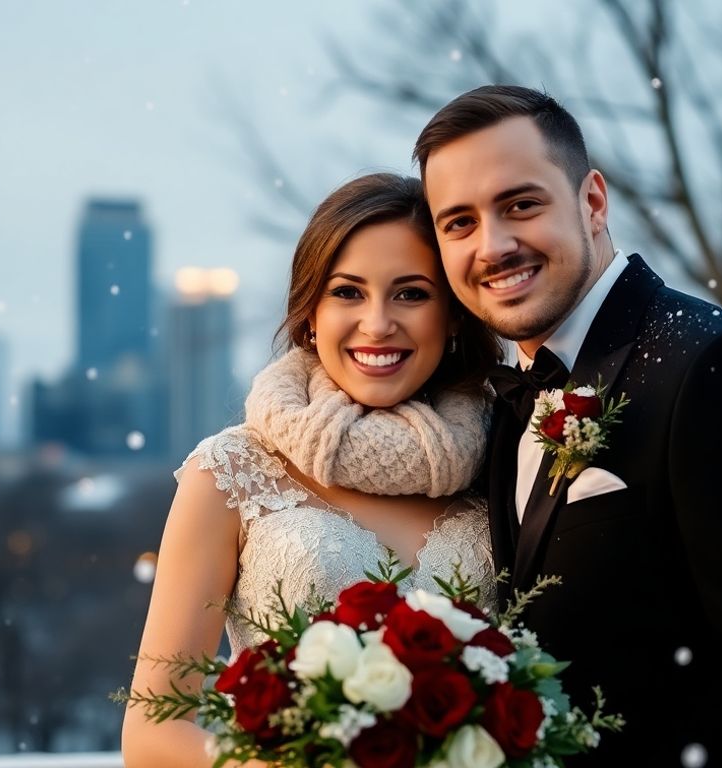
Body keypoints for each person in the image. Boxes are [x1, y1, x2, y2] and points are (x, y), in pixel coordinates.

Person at [414, 85, 722, 767]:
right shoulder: (501, 407)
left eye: (521, 205)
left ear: (592, 201)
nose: (493, 245)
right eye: (459, 223)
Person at [120, 172, 503, 767]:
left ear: (453, 314)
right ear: (310, 314)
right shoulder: (229, 473)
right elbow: (152, 736)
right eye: (347, 292)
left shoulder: (505, 463)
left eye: (411, 293)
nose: (378, 323)